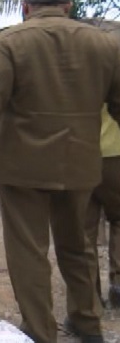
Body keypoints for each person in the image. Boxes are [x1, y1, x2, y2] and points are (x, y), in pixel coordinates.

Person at [0, 0, 120, 343]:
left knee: (29, 252)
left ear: (26, 6)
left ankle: (40, 332)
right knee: (79, 247)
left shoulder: (8, 42)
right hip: (82, 164)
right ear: (68, 5)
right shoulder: (106, 45)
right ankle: (88, 325)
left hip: (23, 167)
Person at [72, 105, 120, 309]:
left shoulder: (82, 72)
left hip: (83, 152)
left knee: (85, 229)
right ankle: (118, 287)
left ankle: (89, 294)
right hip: (117, 152)